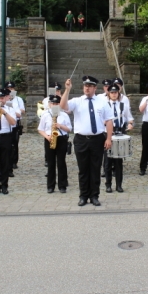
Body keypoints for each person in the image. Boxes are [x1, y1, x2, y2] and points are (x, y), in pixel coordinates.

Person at [60, 75, 114, 207]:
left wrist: (108, 138)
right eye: (85, 86)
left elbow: (109, 121)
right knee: (83, 169)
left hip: (97, 139)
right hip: (81, 139)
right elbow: (63, 106)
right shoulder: (77, 101)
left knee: (95, 169)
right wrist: (67, 90)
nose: (87, 88)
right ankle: (83, 195)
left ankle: (94, 196)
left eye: (90, 86)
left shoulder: (102, 102)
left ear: (95, 88)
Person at [37, 95, 71, 193]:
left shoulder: (64, 115)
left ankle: (62, 185)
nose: (55, 105)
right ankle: (50, 186)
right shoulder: (45, 115)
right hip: (49, 138)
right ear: (49, 104)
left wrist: (60, 126)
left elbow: (69, 129)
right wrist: (47, 137)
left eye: (57, 103)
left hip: (61, 139)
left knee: (61, 162)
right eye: (53, 103)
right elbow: (40, 129)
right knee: (51, 163)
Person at [104, 84, 134, 193]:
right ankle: (108, 185)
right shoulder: (104, 106)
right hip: (108, 133)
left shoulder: (123, 105)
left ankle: (119, 185)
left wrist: (130, 124)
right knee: (108, 161)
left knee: (118, 161)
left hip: (120, 132)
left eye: (115, 92)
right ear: (109, 93)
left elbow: (129, 118)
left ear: (118, 93)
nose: (113, 94)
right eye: (112, 92)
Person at [5, 81, 25, 172]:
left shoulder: (18, 99)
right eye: (8, 89)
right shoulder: (5, 99)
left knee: (15, 143)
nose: (10, 90)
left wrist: (15, 110)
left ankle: (14, 161)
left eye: (12, 88)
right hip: (6, 123)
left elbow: (22, 111)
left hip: (15, 122)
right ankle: (7, 161)